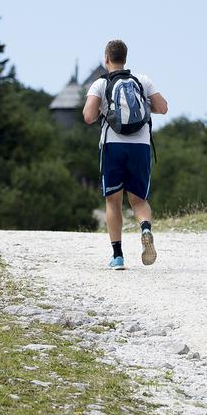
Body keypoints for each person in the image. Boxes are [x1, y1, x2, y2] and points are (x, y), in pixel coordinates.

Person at [83, 39, 169, 270]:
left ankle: (118, 256)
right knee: (138, 200)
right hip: (140, 146)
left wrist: (103, 108)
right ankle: (146, 229)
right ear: (126, 58)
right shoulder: (142, 80)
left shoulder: (100, 84)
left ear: (106, 59)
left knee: (113, 201)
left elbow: (89, 116)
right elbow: (163, 107)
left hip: (113, 145)